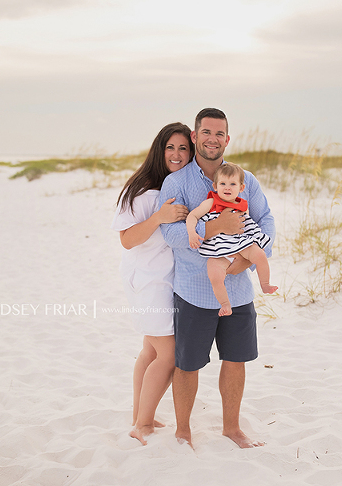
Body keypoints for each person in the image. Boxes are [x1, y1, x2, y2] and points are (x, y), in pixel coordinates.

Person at [159, 108, 275, 448]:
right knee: (188, 364)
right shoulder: (177, 182)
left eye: (219, 133)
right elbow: (172, 235)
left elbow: (265, 220)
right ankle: (183, 430)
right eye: (206, 132)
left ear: (227, 138)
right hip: (194, 290)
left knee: (236, 361)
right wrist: (215, 228)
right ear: (195, 137)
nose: (213, 139)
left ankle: (232, 428)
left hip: (238, 291)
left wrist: (245, 261)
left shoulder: (245, 179)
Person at [111, 122, 193, 445]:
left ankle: (138, 415)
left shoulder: (170, 184)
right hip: (148, 280)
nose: (176, 154)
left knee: (149, 349)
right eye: (170, 147)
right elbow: (127, 239)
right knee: (169, 355)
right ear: (159, 150)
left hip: (158, 278)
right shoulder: (145, 189)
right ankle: (142, 424)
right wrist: (160, 217)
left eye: (183, 148)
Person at [185, 162, 277, 316]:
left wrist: (248, 251)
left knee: (260, 255)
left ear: (241, 188)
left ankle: (265, 283)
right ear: (215, 186)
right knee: (214, 275)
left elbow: (249, 225)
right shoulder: (211, 202)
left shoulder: (243, 205)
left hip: (241, 244)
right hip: (218, 248)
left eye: (232, 184)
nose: (227, 187)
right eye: (223, 183)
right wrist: (192, 233)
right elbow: (192, 216)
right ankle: (225, 304)